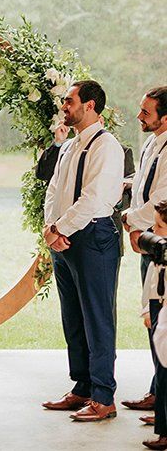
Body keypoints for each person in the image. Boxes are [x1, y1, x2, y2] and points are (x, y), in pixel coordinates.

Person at [41, 80, 124, 422]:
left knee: (97, 318)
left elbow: (94, 198)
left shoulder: (107, 147)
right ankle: (82, 387)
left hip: (94, 238)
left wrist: (61, 228)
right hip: (63, 237)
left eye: (69, 100)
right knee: (73, 317)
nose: (64, 105)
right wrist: (51, 229)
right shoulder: (70, 145)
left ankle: (104, 398)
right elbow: (54, 190)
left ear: (90, 105)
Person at [122, 87, 167, 416]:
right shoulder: (153, 141)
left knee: (160, 318)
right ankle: (158, 391)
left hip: (158, 240)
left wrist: (130, 220)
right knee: (152, 318)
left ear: (165, 118)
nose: (139, 117)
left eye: (146, 113)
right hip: (147, 236)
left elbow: (162, 198)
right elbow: (145, 182)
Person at [36, 117, 135, 239]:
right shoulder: (66, 147)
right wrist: (58, 143)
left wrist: (118, 202)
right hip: (62, 228)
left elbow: (130, 192)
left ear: (101, 121)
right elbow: (43, 174)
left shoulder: (117, 149)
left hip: (102, 230)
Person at [143, 201, 167, 450]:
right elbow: (150, 287)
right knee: (162, 376)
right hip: (157, 314)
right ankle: (163, 428)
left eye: (159, 226)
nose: (153, 230)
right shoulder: (158, 259)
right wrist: (146, 311)